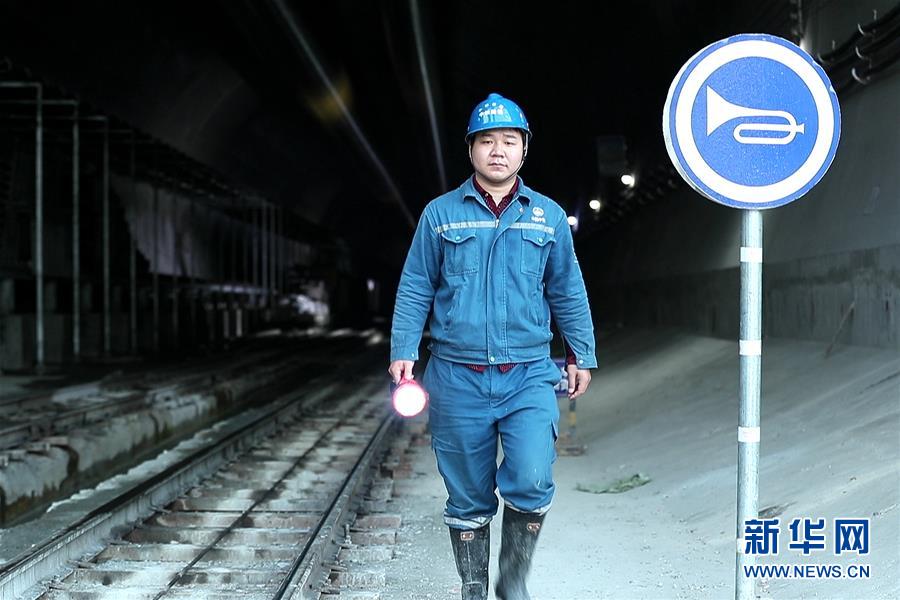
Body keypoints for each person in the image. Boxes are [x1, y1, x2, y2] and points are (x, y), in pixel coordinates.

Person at [388, 92, 597, 600]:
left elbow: (566, 287)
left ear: (524, 150)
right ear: (471, 150)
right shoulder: (440, 216)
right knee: (467, 494)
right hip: (456, 375)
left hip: (527, 373)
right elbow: (416, 283)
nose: (497, 150)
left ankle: (514, 580)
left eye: (509, 141)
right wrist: (404, 347)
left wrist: (581, 352)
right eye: (487, 141)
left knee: (531, 475)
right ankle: (475, 588)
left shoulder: (546, 217)